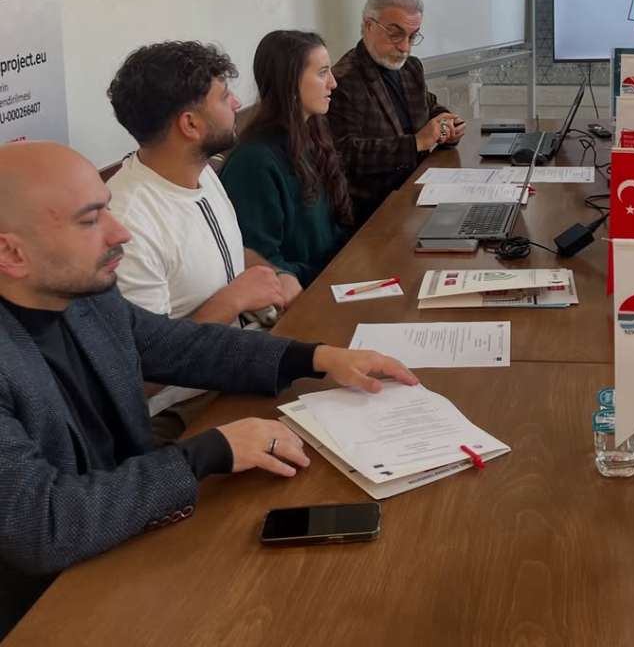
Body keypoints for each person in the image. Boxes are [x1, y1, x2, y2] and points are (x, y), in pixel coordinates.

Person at [0, 141, 416, 638]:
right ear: (11, 253)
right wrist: (212, 450)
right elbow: (43, 525)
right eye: (90, 220)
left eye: (107, 209)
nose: (120, 232)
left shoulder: (84, 295)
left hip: (133, 537)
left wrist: (317, 358)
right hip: (51, 608)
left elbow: (182, 346)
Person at [106, 41, 302, 440]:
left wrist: (274, 274)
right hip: (183, 408)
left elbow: (227, 253)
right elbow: (138, 378)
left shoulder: (201, 171)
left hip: (236, 362)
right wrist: (232, 301)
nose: (236, 103)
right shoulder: (127, 224)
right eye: (224, 96)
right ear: (190, 125)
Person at [220, 31, 353, 287]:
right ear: (289, 82)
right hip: (304, 293)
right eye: (322, 73)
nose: (333, 83)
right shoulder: (253, 162)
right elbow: (261, 261)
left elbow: (332, 232)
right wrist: (332, 275)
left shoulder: (312, 133)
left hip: (332, 277)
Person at [329, 0, 464, 226]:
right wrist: (416, 143)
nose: (405, 47)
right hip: (374, 211)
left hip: (419, 190)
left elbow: (428, 106)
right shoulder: (344, 79)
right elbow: (344, 154)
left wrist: (447, 122)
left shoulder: (411, 67)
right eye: (395, 34)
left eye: (412, 37)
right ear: (368, 26)